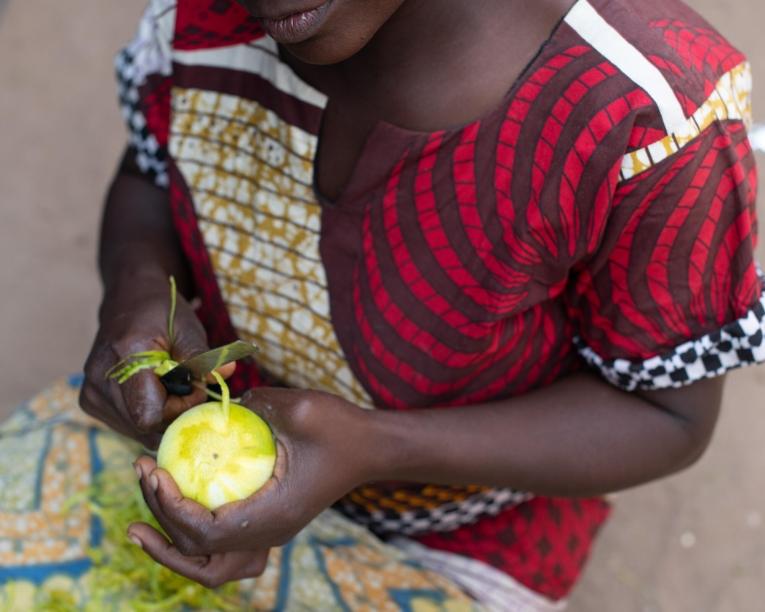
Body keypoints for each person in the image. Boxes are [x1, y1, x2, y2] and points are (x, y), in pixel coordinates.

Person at [1, 0, 763, 609]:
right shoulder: (202, 23)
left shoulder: (644, 114)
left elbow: (667, 417)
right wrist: (137, 291)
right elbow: (149, 170)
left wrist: (377, 447)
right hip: (213, 439)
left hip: (465, 518)